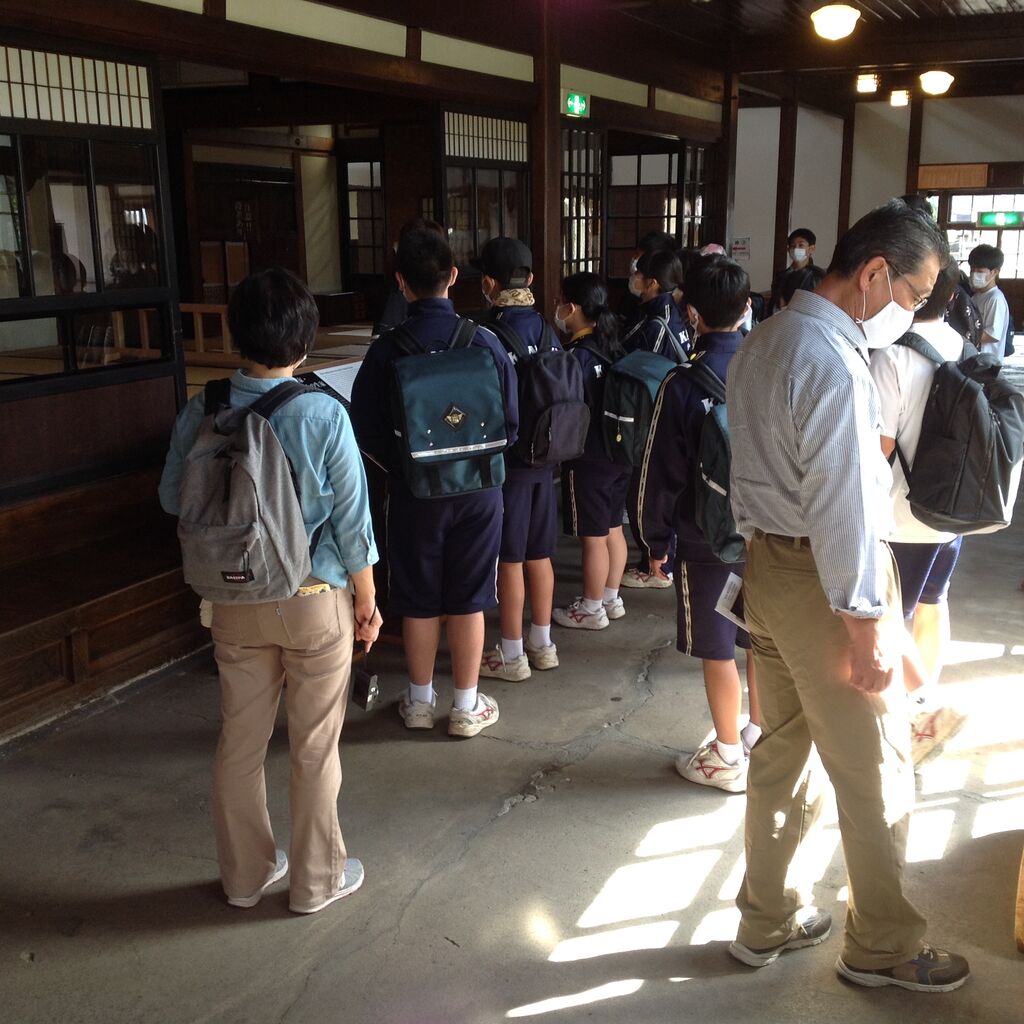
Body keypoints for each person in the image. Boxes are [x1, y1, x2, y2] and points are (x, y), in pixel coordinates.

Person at [726, 199, 970, 992]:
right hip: (825, 585)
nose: (913, 313)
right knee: (874, 767)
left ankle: (765, 919)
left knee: (783, 753)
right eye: (912, 296)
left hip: (766, 567)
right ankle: (884, 946)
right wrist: (868, 624)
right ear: (873, 274)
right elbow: (847, 505)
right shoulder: (832, 362)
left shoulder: (764, 337)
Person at [158, 268, 380, 914]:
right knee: (314, 747)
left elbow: (174, 497)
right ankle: (316, 883)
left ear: (236, 336)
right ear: (305, 342)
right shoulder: (321, 414)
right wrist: (366, 601)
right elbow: (353, 525)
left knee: (240, 742)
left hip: (231, 602)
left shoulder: (202, 408)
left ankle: (245, 877)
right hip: (313, 603)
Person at [349, 228, 519, 738]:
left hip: (415, 494)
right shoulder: (484, 341)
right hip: (480, 490)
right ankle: (466, 707)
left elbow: (366, 430)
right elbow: (510, 422)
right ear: (454, 277)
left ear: (401, 282)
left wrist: (405, 469)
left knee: (418, 596)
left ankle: (420, 703)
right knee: (470, 594)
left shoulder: (386, 351)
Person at [638, 254, 762, 792]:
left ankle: (727, 755)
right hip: (769, 535)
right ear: (748, 308)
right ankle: (759, 731)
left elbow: (659, 472)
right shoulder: (770, 368)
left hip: (704, 536)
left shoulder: (683, 384)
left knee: (717, 646)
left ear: (691, 314)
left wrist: (654, 539)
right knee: (759, 636)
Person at [869, 259, 966, 762]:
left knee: (890, 618)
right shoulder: (961, 345)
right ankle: (925, 696)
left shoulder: (892, 356)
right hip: (954, 510)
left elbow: (881, 445)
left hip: (903, 514)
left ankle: (921, 714)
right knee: (934, 603)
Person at [474, 237, 560, 681]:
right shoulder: (549, 328)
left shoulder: (485, 335)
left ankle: (510, 653)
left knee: (509, 558)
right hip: (548, 457)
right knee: (539, 553)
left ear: (488, 282)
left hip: (508, 465)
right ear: (530, 279)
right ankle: (542, 643)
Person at [552, 272, 631, 631]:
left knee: (593, 538)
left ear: (573, 308)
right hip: (619, 454)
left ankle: (591, 607)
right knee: (613, 528)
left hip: (590, 459)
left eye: (561, 303)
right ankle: (611, 597)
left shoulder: (575, 358)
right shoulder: (613, 346)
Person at [621, 247, 687, 590]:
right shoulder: (675, 313)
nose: (633, 279)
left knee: (647, 493)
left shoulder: (657, 323)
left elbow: (632, 361)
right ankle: (660, 562)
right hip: (667, 413)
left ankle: (657, 566)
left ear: (652, 283)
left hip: (652, 416)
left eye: (638, 275)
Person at [968, 243, 1012, 360]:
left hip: (986, 365)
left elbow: (992, 335)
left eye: (980, 271)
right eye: (972, 269)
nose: (974, 274)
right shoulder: (976, 297)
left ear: (994, 272)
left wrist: (963, 333)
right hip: (975, 360)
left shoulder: (995, 298)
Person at [768, 228, 817, 314]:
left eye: (801, 245)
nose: (796, 249)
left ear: (811, 249)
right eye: (793, 246)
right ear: (788, 250)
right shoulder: (781, 276)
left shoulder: (816, 276)